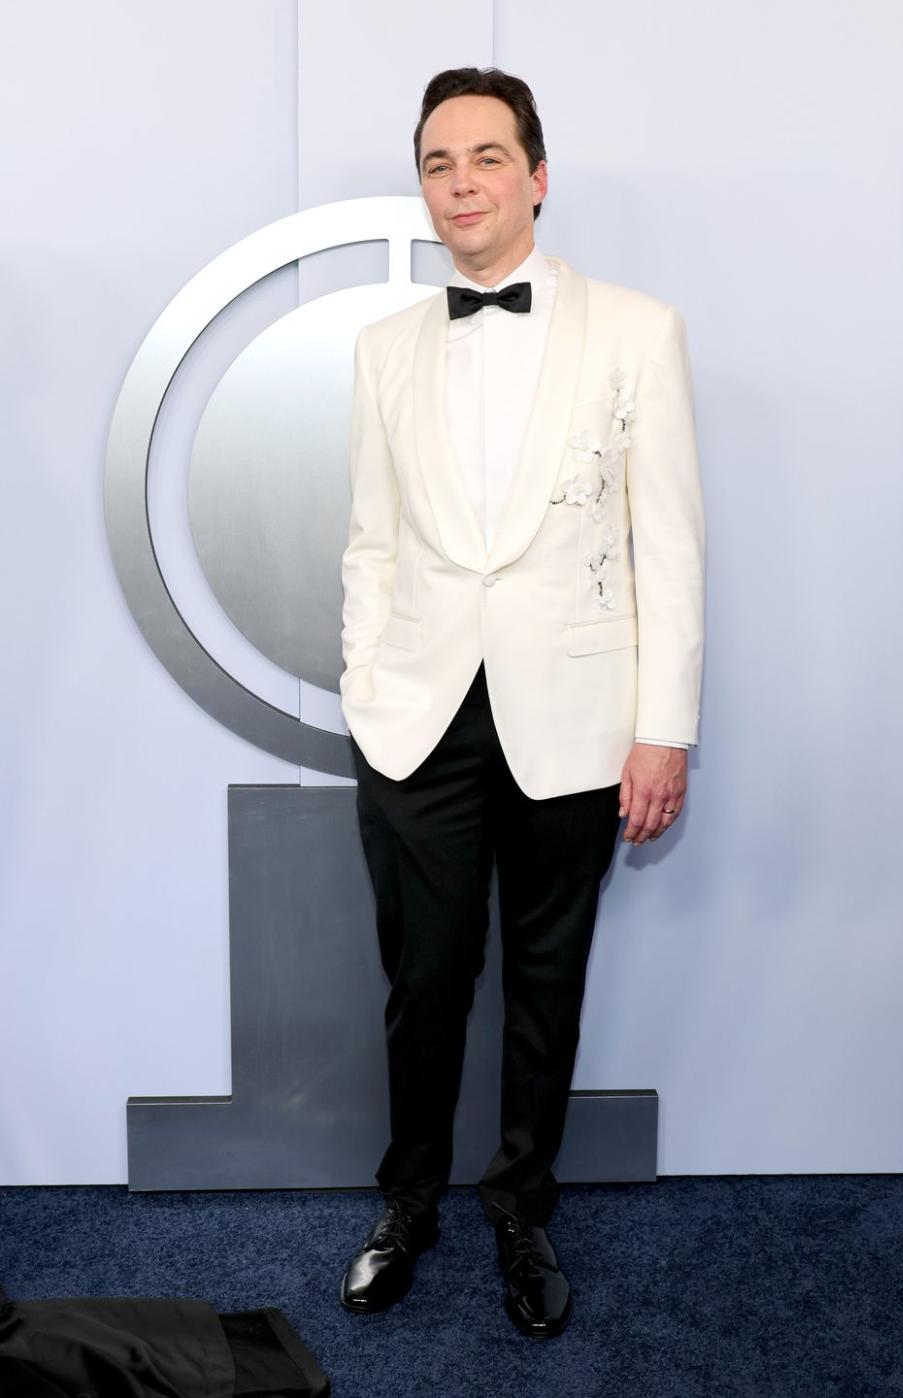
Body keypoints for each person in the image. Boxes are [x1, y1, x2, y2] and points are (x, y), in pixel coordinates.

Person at [337, 66, 705, 1339]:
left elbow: (672, 545)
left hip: (579, 714)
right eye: (440, 163)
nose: (462, 184)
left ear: (536, 175)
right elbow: (370, 546)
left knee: (548, 981)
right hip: (418, 714)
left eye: (487, 158)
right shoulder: (384, 349)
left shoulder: (637, 330)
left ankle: (520, 1211)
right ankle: (410, 1202)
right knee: (422, 980)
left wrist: (666, 724)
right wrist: (364, 681)